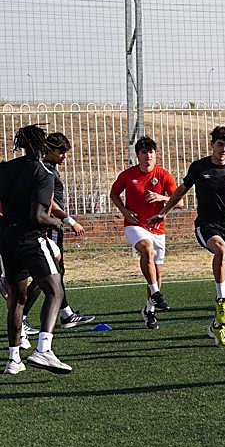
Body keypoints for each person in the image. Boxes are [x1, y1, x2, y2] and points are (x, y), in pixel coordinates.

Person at [151, 126, 225, 347]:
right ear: (212, 144)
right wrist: (163, 212)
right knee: (220, 250)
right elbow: (181, 191)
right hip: (206, 226)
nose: (224, 149)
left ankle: (217, 327)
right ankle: (220, 300)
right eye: (220, 144)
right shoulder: (199, 167)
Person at [1, 125, 71, 375]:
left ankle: (14, 359)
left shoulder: (6, 168)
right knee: (55, 291)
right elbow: (39, 216)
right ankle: (43, 350)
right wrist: (59, 222)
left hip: (6, 239)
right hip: (31, 238)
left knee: (16, 301)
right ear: (41, 145)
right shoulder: (43, 172)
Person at [23, 132, 95, 331]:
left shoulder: (50, 168)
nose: (64, 155)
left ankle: (66, 313)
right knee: (46, 273)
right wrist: (69, 220)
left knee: (56, 272)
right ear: (49, 151)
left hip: (52, 225)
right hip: (48, 226)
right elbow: (49, 202)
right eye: (61, 151)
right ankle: (23, 317)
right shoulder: (45, 170)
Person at [110, 136, 177, 329]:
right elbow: (114, 193)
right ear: (138, 155)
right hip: (135, 225)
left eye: (151, 152)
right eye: (144, 152)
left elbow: (179, 202)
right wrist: (124, 211)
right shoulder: (128, 175)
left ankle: (149, 310)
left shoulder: (163, 175)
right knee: (146, 248)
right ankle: (155, 292)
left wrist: (161, 197)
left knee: (156, 271)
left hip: (157, 228)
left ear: (155, 155)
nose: (148, 156)